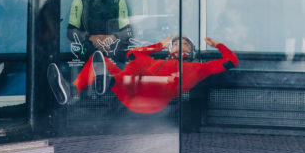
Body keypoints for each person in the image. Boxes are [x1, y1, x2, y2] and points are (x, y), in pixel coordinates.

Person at [48, 35, 238, 114]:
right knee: (101, 61)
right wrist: (158, 46)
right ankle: (71, 90)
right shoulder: (152, 61)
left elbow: (231, 61)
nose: (181, 44)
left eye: (185, 42)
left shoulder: (198, 67)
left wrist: (218, 45)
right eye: (177, 42)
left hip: (155, 98)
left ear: (192, 50)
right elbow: (131, 54)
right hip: (132, 97)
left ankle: (110, 81)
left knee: (139, 67)